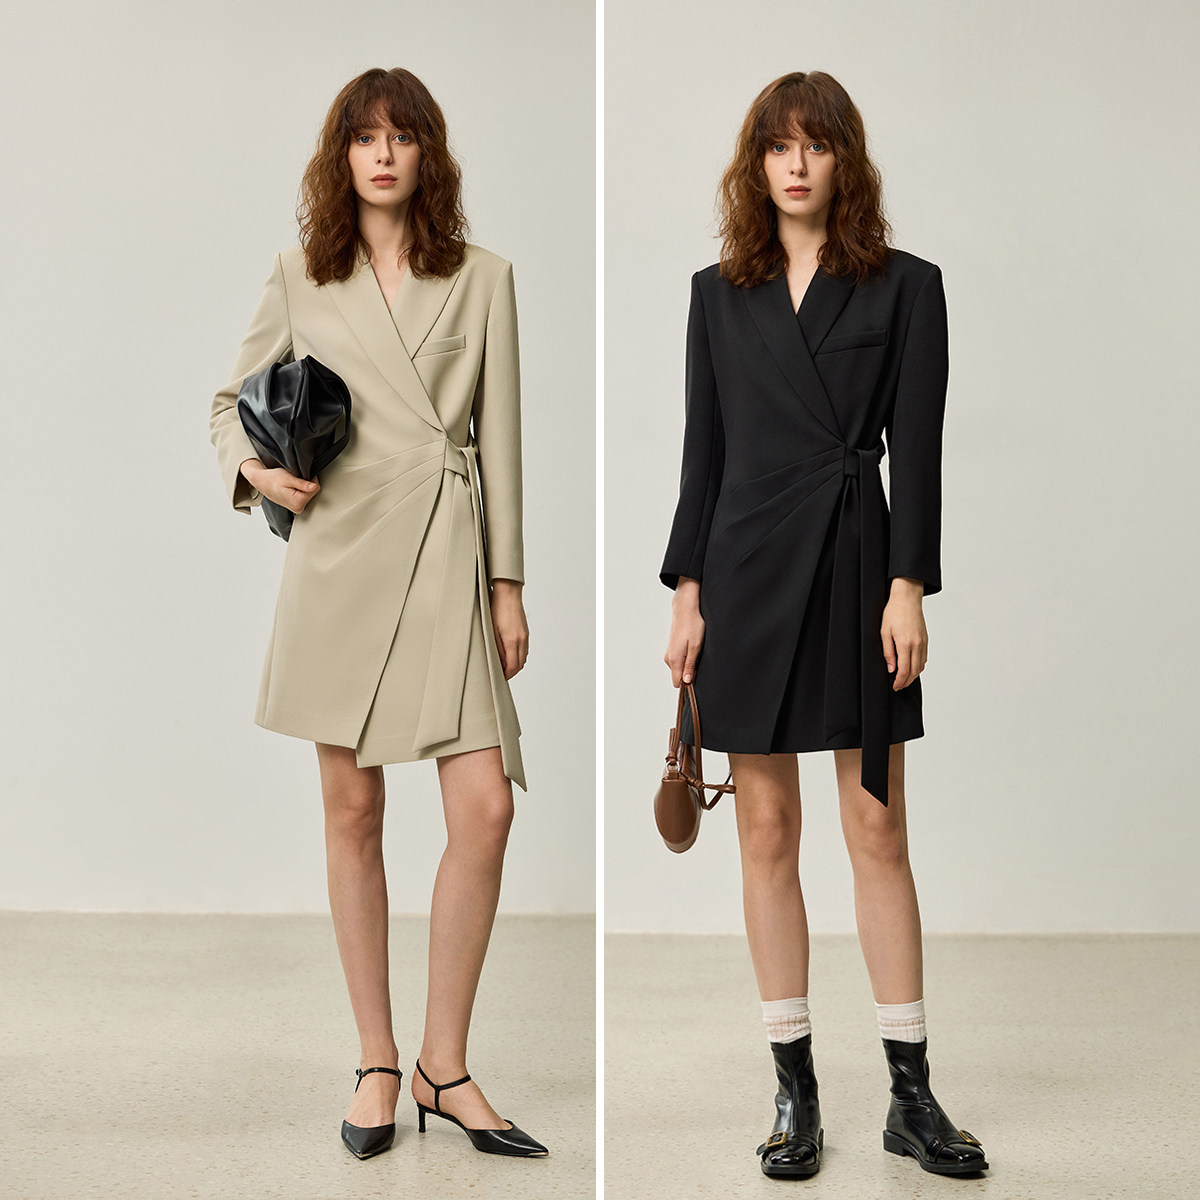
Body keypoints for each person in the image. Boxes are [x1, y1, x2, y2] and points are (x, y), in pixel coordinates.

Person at [209, 67, 546, 1161]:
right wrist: (256, 472)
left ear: (427, 154)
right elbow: (228, 405)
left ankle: (446, 1066)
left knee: (483, 809)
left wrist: (507, 584)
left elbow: (498, 439)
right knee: (353, 814)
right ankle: (377, 1060)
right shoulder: (302, 275)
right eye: (365, 137)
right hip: (340, 561)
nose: (385, 154)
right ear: (342, 155)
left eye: (403, 137)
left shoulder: (484, 278)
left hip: (447, 555)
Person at [660, 70, 987, 1180]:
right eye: (777, 146)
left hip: (856, 568)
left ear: (845, 159)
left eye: (816, 144)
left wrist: (909, 586)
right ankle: (794, 1091)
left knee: (878, 830)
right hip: (743, 575)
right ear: (756, 165)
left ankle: (911, 1096)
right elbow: (703, 456)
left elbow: (919, 453)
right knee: (765, 833)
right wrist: (686, 592)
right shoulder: (718, 295)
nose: (795, 164)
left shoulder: (906, 288)